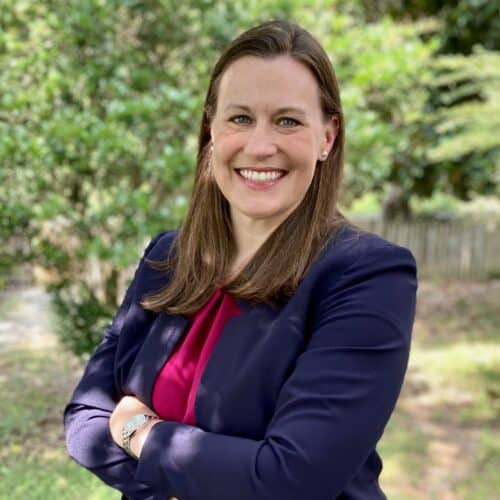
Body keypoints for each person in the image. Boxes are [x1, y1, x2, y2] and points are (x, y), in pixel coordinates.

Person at [64, 19, 417, 500]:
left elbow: (293, 479)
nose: (260, 145)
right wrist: (196, 476)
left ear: (328, 136)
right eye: (240, 118)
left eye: (288, 121)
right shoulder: (167, 256)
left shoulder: (366, 276)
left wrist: (139, 433)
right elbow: (84, 420)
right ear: (211, 129)